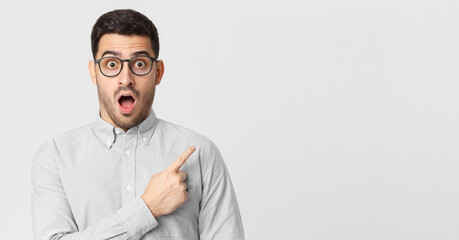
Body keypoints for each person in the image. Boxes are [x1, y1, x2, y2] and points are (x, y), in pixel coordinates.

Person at [31, 9, 244, 240]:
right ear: (94, 73)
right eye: (111, 64)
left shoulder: (200, 154)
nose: (126, 78)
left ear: (158, 72)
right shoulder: (54, 158)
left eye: (140, 63)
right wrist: (147, 208)